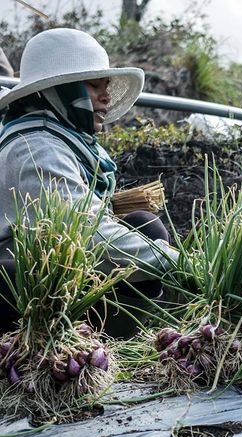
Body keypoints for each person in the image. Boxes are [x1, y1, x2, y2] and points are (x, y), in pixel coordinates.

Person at [0, 28, 178, 337]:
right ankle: (58, 351)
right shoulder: (36, 149)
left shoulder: (68, 141)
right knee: (26, 273)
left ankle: (111, 341)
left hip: (59, 272)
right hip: (19, 293)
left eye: (106, 86)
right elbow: (89, 235)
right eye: (94, 86)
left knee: (144, 224)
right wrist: (183, 264)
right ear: (61, 90)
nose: (106, 96)